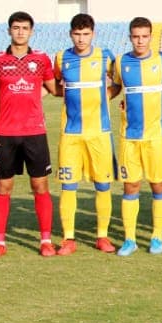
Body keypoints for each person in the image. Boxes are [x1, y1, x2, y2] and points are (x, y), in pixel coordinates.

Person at [0, 10, 57, 259]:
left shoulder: (43, 60)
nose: (20, 32)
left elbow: (53, 89)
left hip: (35, 133)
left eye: (25, 28)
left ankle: (46, 240)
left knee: (40, 185)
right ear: (9, 30)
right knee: (3, 187)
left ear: (32, 31)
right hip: (5, 134)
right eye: (16, 27)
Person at [52, 13, 117, 254]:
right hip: (70, 134)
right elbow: (54, 86)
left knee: (103, 185)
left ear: (93, 33)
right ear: (70, 34)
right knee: (68, 186)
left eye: (86, 34)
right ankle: (68, 238)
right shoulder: (61, 58)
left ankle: (102, 236)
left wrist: (107, 95)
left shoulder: (105, 56)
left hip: (99, 133)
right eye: (77, 34)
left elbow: (119, 82)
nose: (81, 39)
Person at [109, 17, 162, 257]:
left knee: (159, 185)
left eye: (144, 36)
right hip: (130, 137)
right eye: (136, 36)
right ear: (130, 37)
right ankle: (130, 239)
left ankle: (156, 238)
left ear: (150, 37)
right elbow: (115, 88)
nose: (140, 41)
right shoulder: (120, 62)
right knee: (131, 185)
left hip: (157, 136)